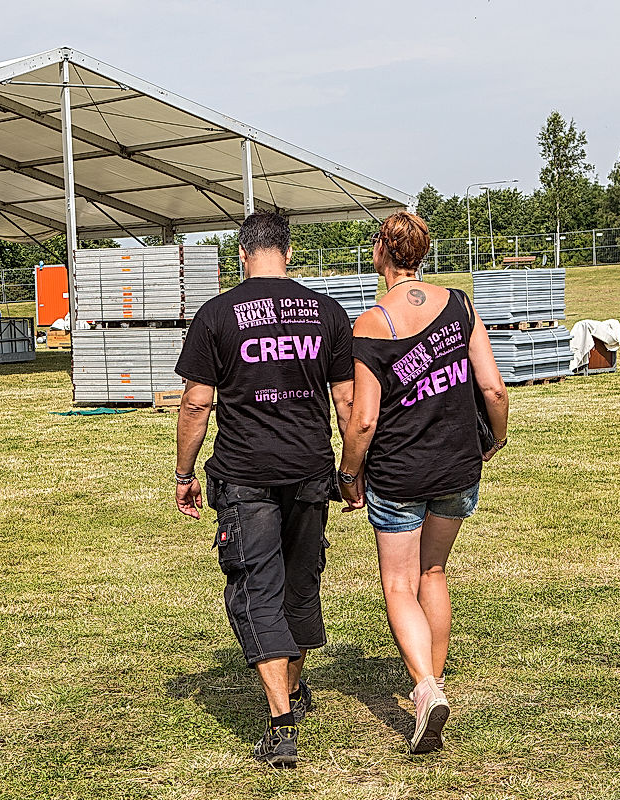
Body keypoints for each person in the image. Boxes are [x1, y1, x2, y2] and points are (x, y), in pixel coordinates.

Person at [174, 211, 354, 768]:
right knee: (299, 583)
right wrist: (351, 473)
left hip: (245, 473)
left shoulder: (216, 314)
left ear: (242, 255)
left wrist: (184, 473)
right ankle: (293, 689)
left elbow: (197, 403)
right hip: (310, 470)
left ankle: (280, 721)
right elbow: (347, 404)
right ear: (289, 253)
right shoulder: (325, 312)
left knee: (256, 589)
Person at [337, 212, 509, 754]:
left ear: (382, 251)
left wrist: (349, 472)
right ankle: (429, 686)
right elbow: (494, 388)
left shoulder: (369, 324)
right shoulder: (459, 304)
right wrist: (495, 440)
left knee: (397, 584)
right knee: (434, 571)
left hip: (398, 473)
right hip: (458, 466)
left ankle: (426, 688)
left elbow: (363, 419)